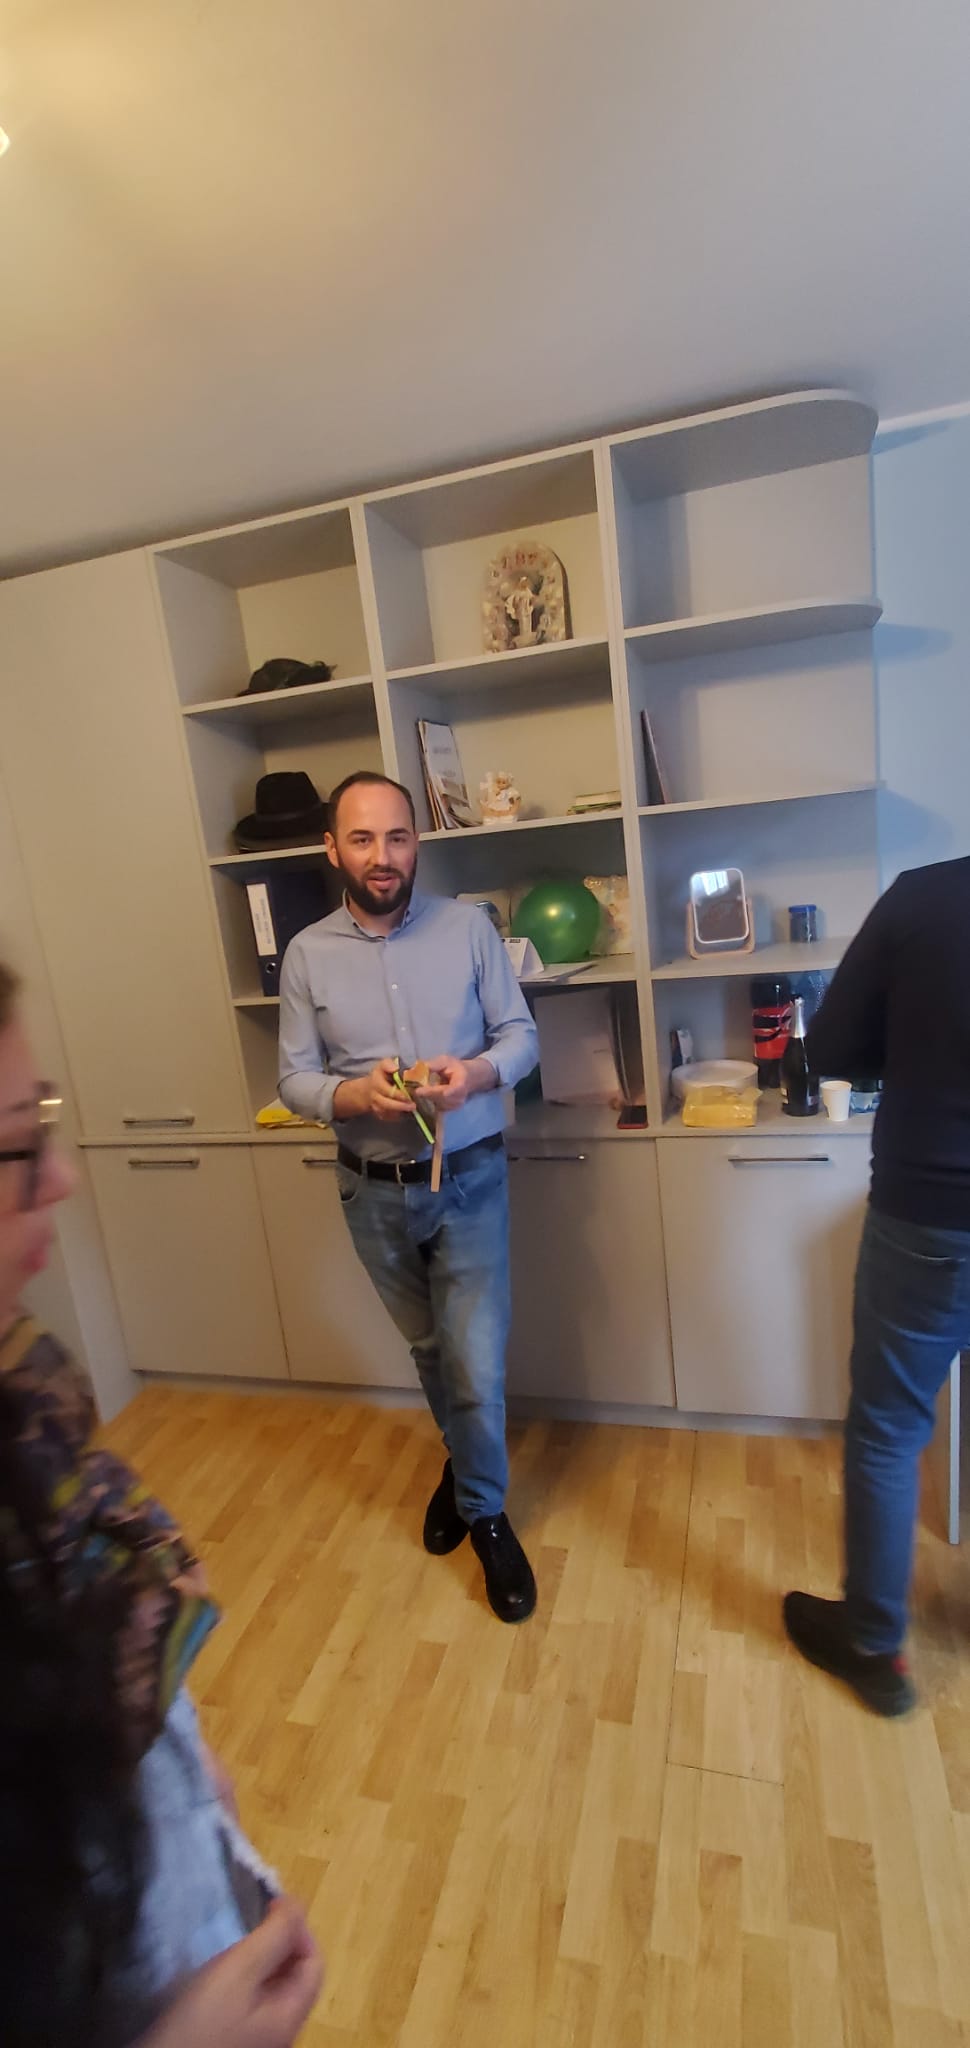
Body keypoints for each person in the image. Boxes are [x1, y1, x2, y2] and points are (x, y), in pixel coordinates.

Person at [0, 957, 322, 2045]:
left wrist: (168, 1757)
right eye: (20, 1142)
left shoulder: (26, 1398)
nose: (62, 1177)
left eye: (44, 1120)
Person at [278, 770, 540, 1623]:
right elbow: (293, 1080)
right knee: (431, 1354)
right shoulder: (306, 954)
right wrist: (351, 1096)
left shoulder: (469, 929)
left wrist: (476, 1074)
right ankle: (465, 1467)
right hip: (371, 1192)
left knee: (476, 1362)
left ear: (416, 842)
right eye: (362, 839)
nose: (382, 856)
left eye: (396, 837)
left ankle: (485, 1513)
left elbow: (521, 1036)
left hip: (469, 1179)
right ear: (333, 849)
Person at [783, 857, 970, 1716]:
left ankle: (872, 1645)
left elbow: (833, 1048)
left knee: (890, 1431)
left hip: (928, 1212)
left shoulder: (926, 897)